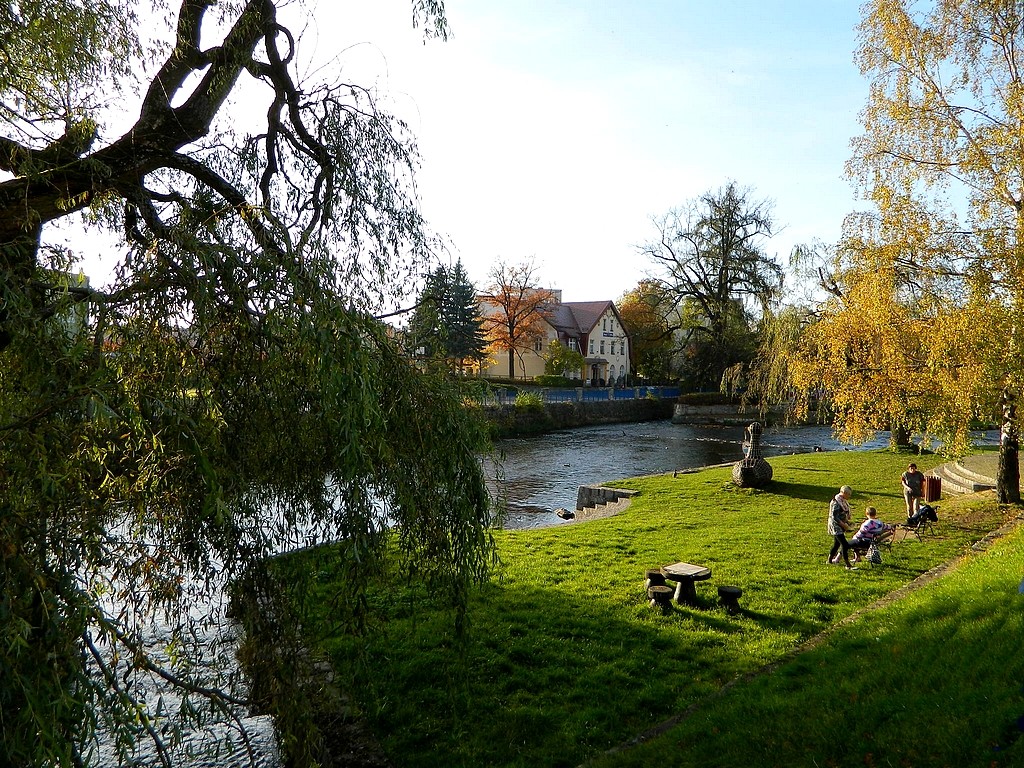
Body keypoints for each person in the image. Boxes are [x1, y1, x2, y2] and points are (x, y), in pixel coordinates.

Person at [826, 485, 857, 570]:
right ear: (843, 493)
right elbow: (835, 517)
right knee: (845, 545)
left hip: (840, 524)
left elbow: (842, 514)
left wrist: (847, 522)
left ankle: (829, 561)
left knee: (837, 544)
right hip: (836, 526)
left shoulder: (843, 501)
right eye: (848, 494)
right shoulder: (836, 502)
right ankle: (848, 565)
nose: (849, 496)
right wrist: (844, 525)